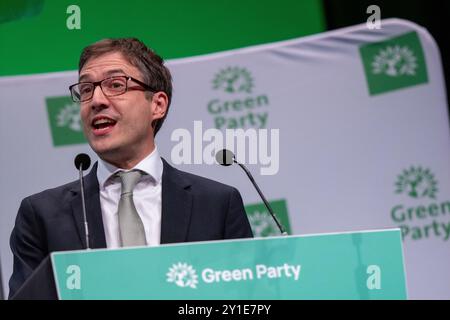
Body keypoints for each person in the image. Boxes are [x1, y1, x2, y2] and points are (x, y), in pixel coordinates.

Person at [9, 38, 253, 298]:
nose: (96, 101)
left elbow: (249, 297)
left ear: (157, 105)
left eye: (115, 85)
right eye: (86, 89)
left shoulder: (217, 204)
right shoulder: (41, 214)